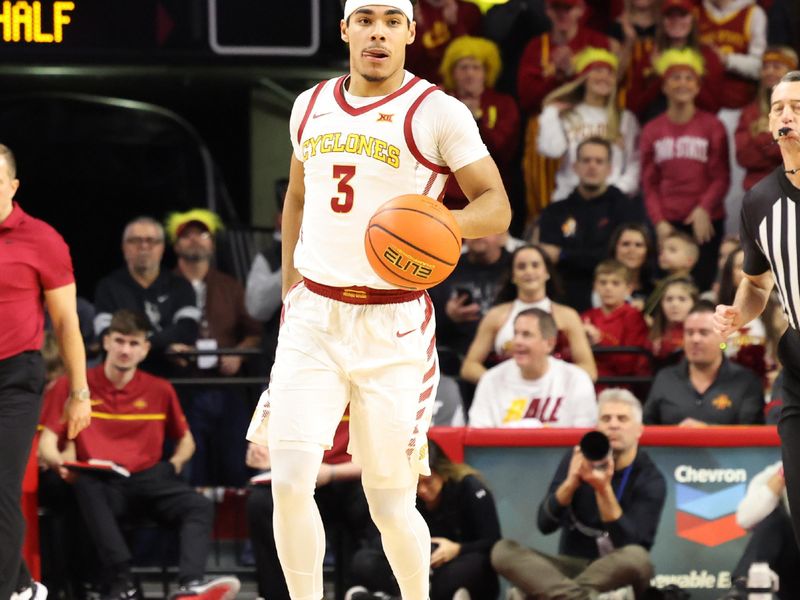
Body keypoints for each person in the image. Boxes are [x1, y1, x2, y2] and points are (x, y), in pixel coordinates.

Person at [245, 2, 512, 600]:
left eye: (392, 22)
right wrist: (292, 285)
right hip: (314, 313)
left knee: (389, 500)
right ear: (344, 30)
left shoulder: (439, 111)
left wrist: (435, 223)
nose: (378, 33)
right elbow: (295, 198)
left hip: (393, 321)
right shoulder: (308, 105)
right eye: (365, 20)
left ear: (411, 33)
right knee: (286, 482)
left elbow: (496, 204)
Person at [38, 309, 240, 600]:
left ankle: (190, 587)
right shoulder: (75, 386)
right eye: (119, 341)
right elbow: (47, 442)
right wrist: (61, 465)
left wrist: (173, 464)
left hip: (149, 478)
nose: (125, 350)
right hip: (103, 483)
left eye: (134, 344)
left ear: (145, 349)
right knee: (86, 484)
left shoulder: (160, 389)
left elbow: (187, 441)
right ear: (106, 342)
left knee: (198, 505)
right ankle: (123, 577)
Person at [0, 143, 91, 600]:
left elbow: (67, 323)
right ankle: (20, 586)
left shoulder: (41, 239)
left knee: (1, 485)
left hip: (14, 377)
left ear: (13, 186)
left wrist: (79, 392)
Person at [714, 70, 800, 545]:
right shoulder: (760, 201)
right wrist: (736, 313)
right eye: (778, 107)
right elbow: (756, 285)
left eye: (798, 107)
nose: (786, 115)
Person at [491, 388, 667, 599]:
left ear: (639, 429)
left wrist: (603, 489)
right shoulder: (576, 459)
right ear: (597, 427)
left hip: (616, 569)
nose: (613, 424)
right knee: (503, 550)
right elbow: (545, 525)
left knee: (637, 558)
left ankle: (548, 595)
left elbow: (632, 546)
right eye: (606, 418)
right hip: (568, 566)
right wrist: (571, 482)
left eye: (622, 418)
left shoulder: (650, 477)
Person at [167, 208, 262, 486]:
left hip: (226, 386)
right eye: (187, 235)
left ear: (212, 243)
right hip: (183, 386)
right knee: (190, 465)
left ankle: (235, 525)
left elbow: (255, 332)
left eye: (202, 234)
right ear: (175, 244)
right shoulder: (166, 285)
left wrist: (238, 354)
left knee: (234, 461)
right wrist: (172, 348)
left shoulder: (230, 286)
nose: (195, 240)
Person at [346, 440, 502, 600]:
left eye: (429, 481)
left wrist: (457, 549)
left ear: (443, 472)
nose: (423, 490)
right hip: (416, 563)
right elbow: (380, 537)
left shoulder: (470, 487)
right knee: (363, 560)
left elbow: (492, 541)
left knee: (473, 566)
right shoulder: (406, 492)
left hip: (453, 563)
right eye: (416, 483)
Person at [245, 415, 371, 600]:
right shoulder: (290, 387)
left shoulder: (377, 389)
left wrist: (333, 472)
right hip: (306, 475)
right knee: (262, 502)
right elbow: (266, 426)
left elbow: (392, 458)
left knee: (378, 498)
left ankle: (366, 592)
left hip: (356, 476)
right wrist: (260, 446)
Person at [640, 48, 730, 291]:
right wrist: (658, 222)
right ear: (664, 86)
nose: (682, 83)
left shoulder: (713, 126)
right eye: (675, 78)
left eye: (689, 78)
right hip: (667, 223)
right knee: (667, 290)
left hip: (705, 221)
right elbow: (649, 182)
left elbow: (721, 175)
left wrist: (704, 208)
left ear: (698, 87)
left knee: (700, 288)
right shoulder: (651, 130)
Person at [536, 137, 647, 311]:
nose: (592, 166)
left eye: (599, 161)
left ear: (610, 168)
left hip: (614, 294)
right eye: (586, 160)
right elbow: (548, 256)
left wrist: (565, 254)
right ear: (575, 166)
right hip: (565, 296)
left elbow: (616, 257)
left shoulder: (626, 208)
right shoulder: (555, 212)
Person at [460, 244, 597, 385]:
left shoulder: (568, 316)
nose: (529, 271)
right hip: (508, 399)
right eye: (521, 266)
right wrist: (499, 384)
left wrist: (553, 384)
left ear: (547, 272)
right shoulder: (495, 315)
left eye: (535, 265)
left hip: (555, 397)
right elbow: (469, 366)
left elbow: (589, 369)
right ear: (513, 276)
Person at [93, 216, 200, 376]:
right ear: (124, 247)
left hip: (173, 381)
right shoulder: (108, 287)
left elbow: (187, 330)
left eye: (151, 240)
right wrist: (165, 347)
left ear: (162, 247)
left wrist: (140, 343)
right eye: (135, 240)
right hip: (126, 382)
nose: (143, 246)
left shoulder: (181, 286)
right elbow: (106, 335)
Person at [537, 48, 642, 204]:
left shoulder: (625, 119)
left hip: (612, 202)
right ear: (584, 77)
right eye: (598, 70)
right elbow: (551, 150)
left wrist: (617, 190)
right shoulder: (567, 114)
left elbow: (635, 162)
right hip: (570, 199)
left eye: (610, 73)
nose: (604, 77)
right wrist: (550, 114)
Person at [468, 308, 597, 428]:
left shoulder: (576, 380)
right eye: (515, 333)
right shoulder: (490, 380)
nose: (517, 341)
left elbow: (585, 438)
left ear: (549, 343)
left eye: (526, 334)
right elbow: (477, 436)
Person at [646, 301, 765, 426]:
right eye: (689, 333)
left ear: (723, 337)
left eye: (704, 332)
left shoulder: (746, 381)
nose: (695, 339)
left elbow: (753, 436)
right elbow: (646, 429)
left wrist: (706, 433)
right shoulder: (665, 378)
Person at [438, 36, 521, 211]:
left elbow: (503, 151)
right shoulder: (439, 99)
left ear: (487, 72)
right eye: (463, 67)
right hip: (443, 194)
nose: (470, 74)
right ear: (452, 71)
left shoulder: (503, 104)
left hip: (488, 194)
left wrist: (476, 118)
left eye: (476, 67)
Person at [717, 460, 800, 600]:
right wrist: (783, 476)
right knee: (774, 516)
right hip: (792, 573)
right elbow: (744, 519)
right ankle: (743, 588)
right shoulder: (777, 471)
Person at [735, 47, 799, 192]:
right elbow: (744, 158)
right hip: (758, 193)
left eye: (777, 67)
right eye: (765, 67)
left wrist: (763, 137)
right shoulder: (749, 112)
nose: (769, 72)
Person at [581, 260, 651, 388]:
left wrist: (600, 339)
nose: (608, 288)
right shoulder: (586, 316)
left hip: (620, 387)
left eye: (615, 283)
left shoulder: (634, 316)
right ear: (595, 286)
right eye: (603, 282)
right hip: (588, 384)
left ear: (629, 289)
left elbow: (628, 364)